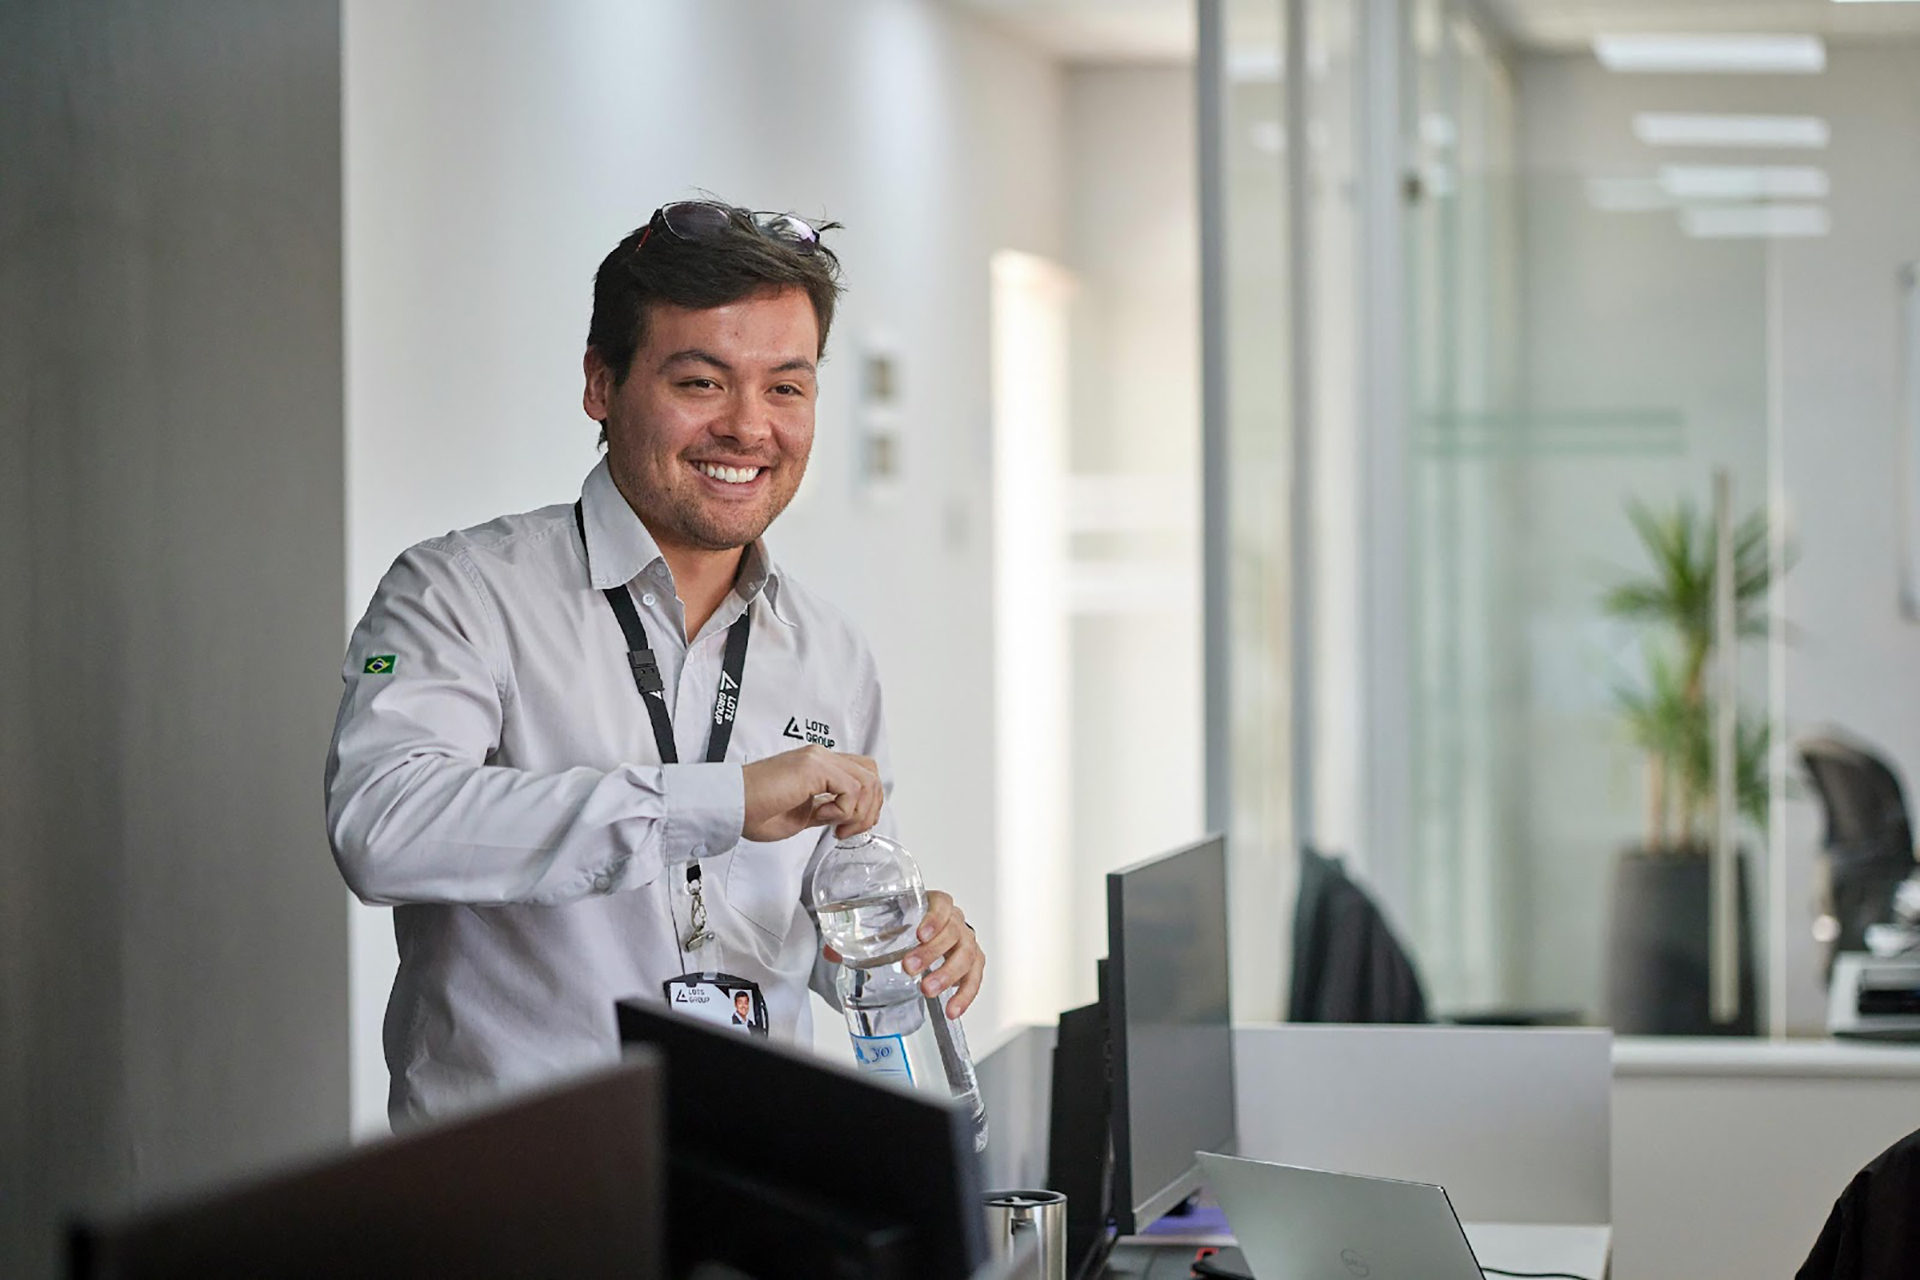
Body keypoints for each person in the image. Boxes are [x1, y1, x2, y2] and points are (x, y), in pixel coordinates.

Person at [325, 199, 985, 1127]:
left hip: (754, 1190)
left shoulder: (829, 651)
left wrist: (901, 945)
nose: (750, 429)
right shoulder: (462, 592)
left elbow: (805, 927)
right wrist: (716, 802)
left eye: (786, 388)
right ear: (602, 384)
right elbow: (382, 826)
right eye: (702, 383)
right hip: (520, 1199)